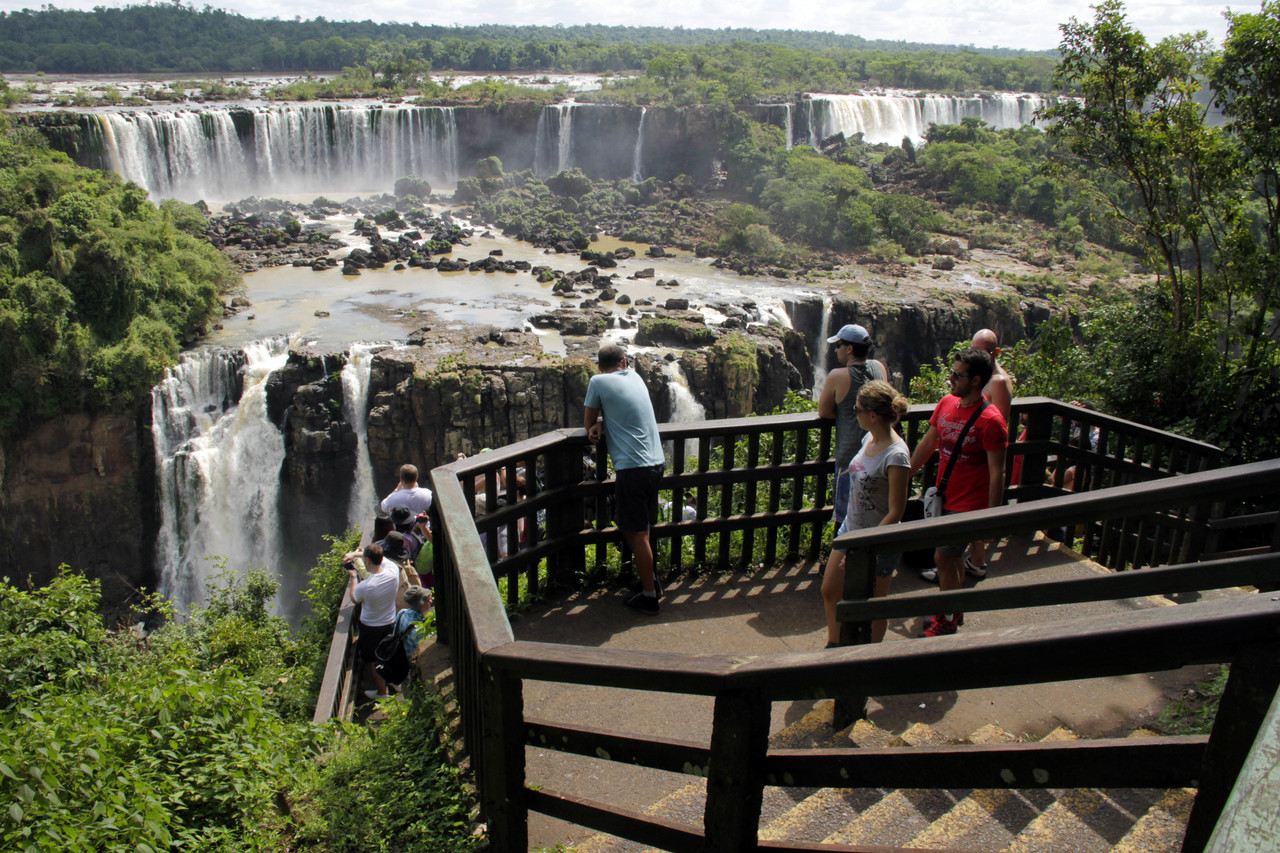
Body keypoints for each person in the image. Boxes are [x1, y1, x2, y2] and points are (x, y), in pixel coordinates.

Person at [908, 348, 1009, 637]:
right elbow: (928, 444)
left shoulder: (991, 421)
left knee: (942, 558)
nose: (950, 378)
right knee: (951, 559)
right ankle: (955, 607)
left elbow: (997, 472)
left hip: (969, 504)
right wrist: (906, 476)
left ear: (976, 381)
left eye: (957, 374)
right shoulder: (946, 404)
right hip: (945, 496)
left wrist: (991, 517)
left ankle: (946, 619)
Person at [821, 380, 911, 647]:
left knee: (874, 603)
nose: (853, 413)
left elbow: (896, 511)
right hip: (851, 531)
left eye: (857, 409)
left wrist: (865, 547)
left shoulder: (897, 455)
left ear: (873, 415)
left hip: (879, 542)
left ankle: (869, 655)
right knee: (830, 590)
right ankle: (835, 646)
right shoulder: (866, 438)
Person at [583, 343, 666, 615]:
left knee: (637, 532)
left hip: (633, 468)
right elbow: (623, 406)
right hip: (656, 463)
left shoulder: (597, 381)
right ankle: (649, 580)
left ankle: (649, 595)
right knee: (633, 524)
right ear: (624, 362)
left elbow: (588, 422)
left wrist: (596, 425)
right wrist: (604, 421)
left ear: (599, 366)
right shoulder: (636, 376)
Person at [818, 324, 889, 525]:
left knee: (846, 518)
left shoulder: (837, 376)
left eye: (839, 345)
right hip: (880, 454)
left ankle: (845, 555)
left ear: (849, 349)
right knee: (876, 512)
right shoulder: (879, 367)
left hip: (850, 460)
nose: (835, 349)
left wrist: (845, 413)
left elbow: (824, 412)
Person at [965, 330, 1015, 579]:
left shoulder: (998, 382)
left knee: (977, 509)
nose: (975, 355)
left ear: (995, 353)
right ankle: (974, 559)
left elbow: (1000, 425)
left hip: (984, 457)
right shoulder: (980, 376)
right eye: (973, 349)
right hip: (970, 454)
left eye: (981, 351)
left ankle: (976, 561)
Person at [344, 542, 400, 700]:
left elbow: (355, 598)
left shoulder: (366, 586)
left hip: (371, 628)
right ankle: (396, 682)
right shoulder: (393, 570)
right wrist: (357, 554)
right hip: (390, 621)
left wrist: (354, 576)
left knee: (374, 660)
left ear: (367, 561)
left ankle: (382, 693)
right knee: (389, 653)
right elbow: (382, 560)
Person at [374, 584, 433, 691]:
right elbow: (422, 650)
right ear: (420, 604)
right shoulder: (418, 629)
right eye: (428, 600)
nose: (431, 601)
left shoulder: (402, 613)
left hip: (399, 655)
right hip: (410, 665)